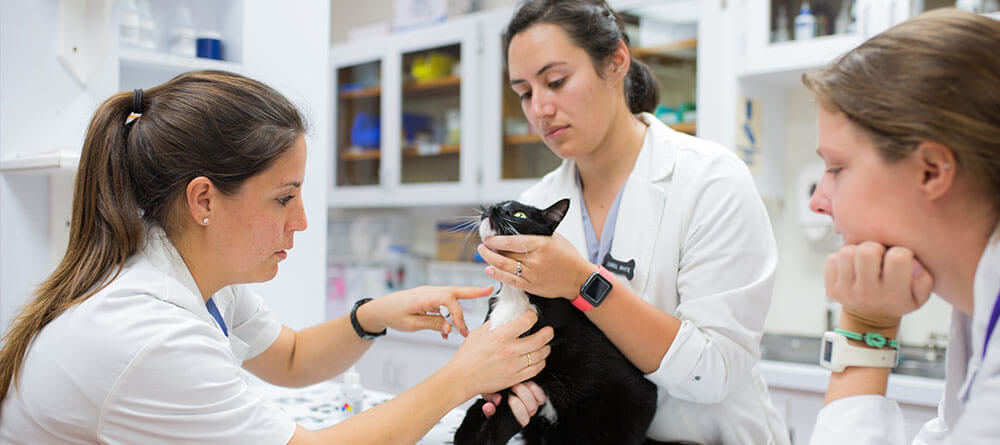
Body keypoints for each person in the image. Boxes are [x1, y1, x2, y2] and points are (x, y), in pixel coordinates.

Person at [0, 70, 553, 444]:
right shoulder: (149, 332)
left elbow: (289, 358)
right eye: (284, 198)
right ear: (203, 200)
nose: (302, 220)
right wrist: (461, 378)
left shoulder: (191, 273)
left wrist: (372, 316)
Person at [474, 1, 790, 443]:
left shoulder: (711, 180)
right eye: (524, 92)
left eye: (556, 81)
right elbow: (522, 344)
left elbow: (714, 371)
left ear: (616, 61)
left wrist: (583, 283)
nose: (540, 109)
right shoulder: (535, 204)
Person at [803, 8, 1000, 444]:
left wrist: (865, 332)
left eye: (837, 167)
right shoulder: (976, 312)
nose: (818, 202)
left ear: (931, 170)